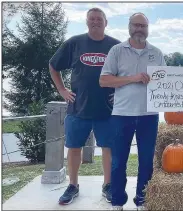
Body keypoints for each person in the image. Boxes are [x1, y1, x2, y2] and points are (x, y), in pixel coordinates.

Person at [49, 8, 121, 205]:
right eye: (92, 19)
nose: (95, 22)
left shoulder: (116, 46)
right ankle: (73, 185)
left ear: (106, 22)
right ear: (87, 22)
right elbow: (53, 65)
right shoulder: (74, 43)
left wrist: (120, 94)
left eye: (99, 19)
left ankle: (108, 185)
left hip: (107, 110)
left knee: (108, 148)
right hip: (77, 108)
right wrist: (62, 90)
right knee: (73, 148)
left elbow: (126, 74)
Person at [99, 12, 166, 211]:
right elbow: (104, 80)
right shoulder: (117, 51)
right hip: (121, 115)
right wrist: (133, 78)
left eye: (143, 26)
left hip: (149, 116)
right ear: (129, 27)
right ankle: (118, 201)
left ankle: (142, 201)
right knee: (119, 162)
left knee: (146, 162)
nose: (140, 29)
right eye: (136, 25)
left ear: (148, 29)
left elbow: (165, 82)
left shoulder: (156, 53)